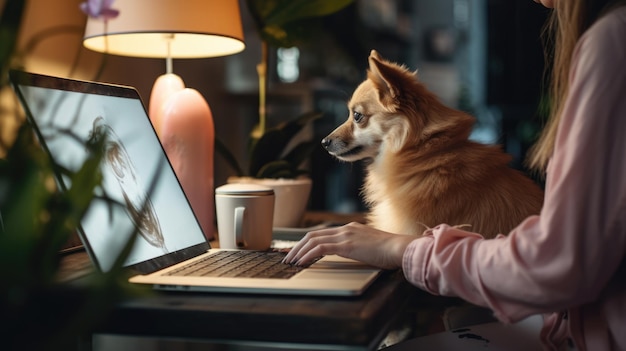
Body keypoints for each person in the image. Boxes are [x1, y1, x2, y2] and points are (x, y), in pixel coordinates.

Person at [284, 0, 626, 349]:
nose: (337, 135)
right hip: (569, 321)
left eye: (357, 117)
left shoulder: (611, 41)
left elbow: (559, 264)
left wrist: (403, 249)